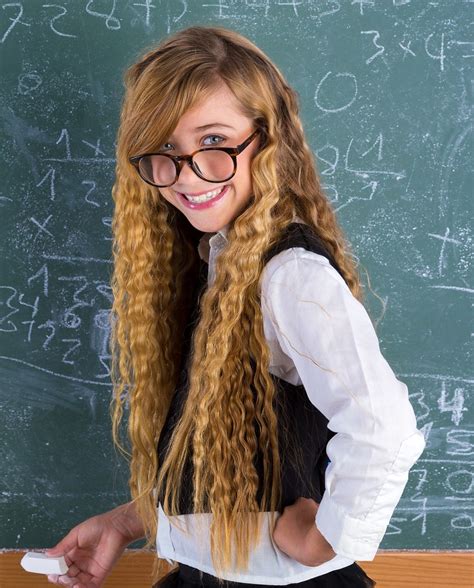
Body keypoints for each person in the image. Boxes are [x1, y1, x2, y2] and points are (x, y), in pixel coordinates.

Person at [45, 25, 426, 588]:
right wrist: (129, 521)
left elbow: (383, 426)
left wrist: (325, 541)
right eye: (166, 150)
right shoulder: (219, 260)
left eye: (214, 141)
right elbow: (227, 461)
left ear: (267, 140)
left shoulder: (290, 276)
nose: (187, 175)